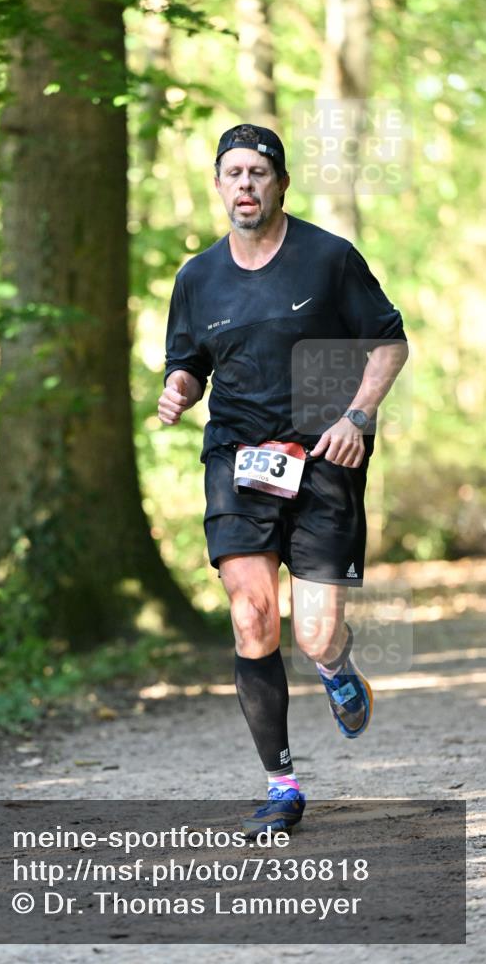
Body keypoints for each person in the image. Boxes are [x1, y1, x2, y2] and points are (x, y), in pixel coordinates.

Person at [158, 124, 408, 836]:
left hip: (326, 456)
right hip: (236, 458)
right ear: (217, 185)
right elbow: (188, 361)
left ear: (280, 183)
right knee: (250, 618)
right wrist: (178, 389)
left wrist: (356, 417)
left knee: (315, 633)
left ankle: (336, 669)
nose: (244, 185)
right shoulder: (196, 276)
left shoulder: (327, 258)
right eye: (232, 173)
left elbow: (387, 341)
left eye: (257, 173)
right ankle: (281, 785)